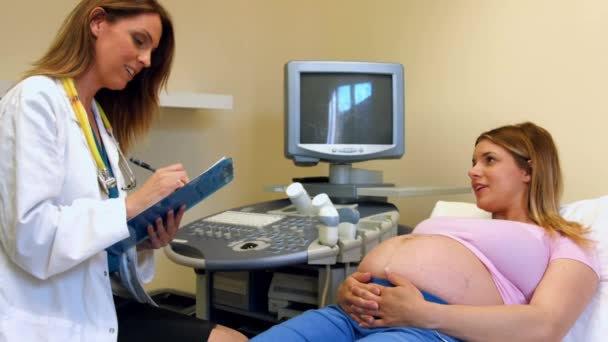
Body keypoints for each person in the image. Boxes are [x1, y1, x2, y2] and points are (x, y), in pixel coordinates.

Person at [0, 1, 246, 341]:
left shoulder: (99, 121)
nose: (146, 60)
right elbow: (31, 239)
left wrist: (143, 241)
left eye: (151, 51)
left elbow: (97, 244)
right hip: (45, 315)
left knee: (233, 337)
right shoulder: (35, 99)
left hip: (96, 303)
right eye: (139, 41)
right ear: (98, 22)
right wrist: (132, 205)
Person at [252, 122, 600, 341]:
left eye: (489, 160)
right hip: (349, 314)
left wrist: (421, 313)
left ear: (530, 169)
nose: (472, 171)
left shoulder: (564, 239)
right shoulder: (467, 225)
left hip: (428, 329)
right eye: (473, 161)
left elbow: (546, 326)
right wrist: (349, 289)